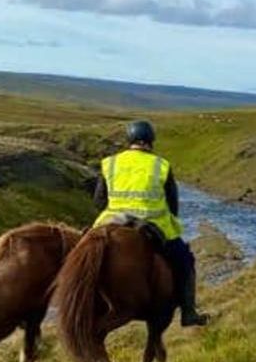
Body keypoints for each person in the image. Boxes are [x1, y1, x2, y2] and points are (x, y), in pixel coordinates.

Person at [87, 119, 208, 326]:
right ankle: (189, 312)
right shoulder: (161, 165)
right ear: (151, 141)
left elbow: (99, 201)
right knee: (185, 259)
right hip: (152, 222)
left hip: (112, 220)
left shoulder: (110, 163)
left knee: (79, 251)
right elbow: (172, 204)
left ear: (129, 140)